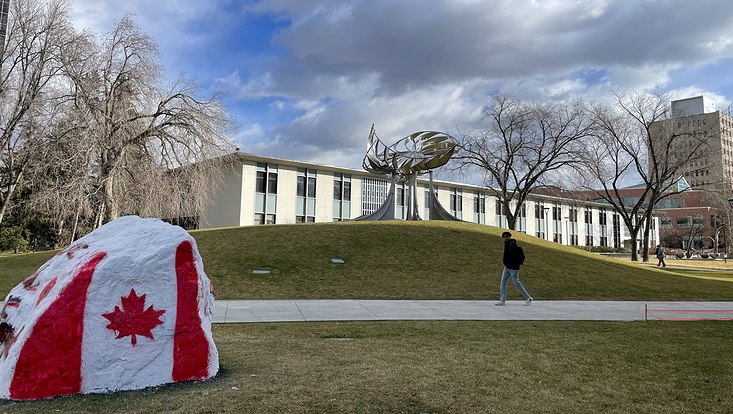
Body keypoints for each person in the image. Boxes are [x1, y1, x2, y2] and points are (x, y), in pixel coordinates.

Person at [495, 231, 533, 306]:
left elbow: (514, 255)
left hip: (513, 268)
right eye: (504, 237)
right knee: (503, 283)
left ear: (509, 237)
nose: (505, 238)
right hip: (507, 267)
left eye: (507, 236)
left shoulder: (513, 244)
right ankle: (502, 300)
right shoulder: (506, 244)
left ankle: (528, 298)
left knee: (516, 283)